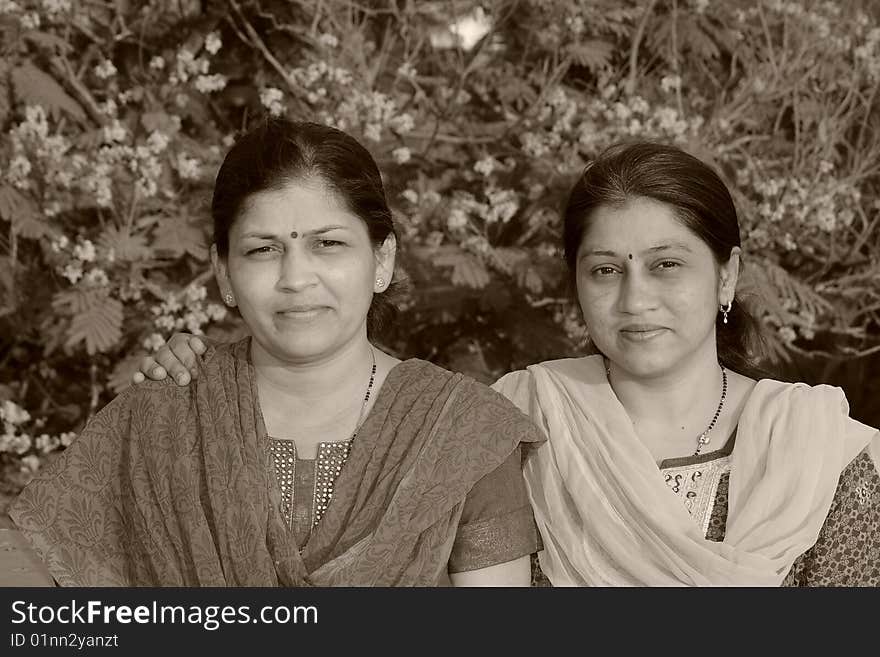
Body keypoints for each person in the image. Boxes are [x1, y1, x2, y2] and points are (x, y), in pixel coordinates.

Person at [142, 141, 880, 586]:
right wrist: (218, 382)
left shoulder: (815, 449)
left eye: (667, 265)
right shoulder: (518, 421)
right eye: (604, 270)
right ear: (575, 284)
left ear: (725, 275)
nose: (636, 298)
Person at [9, 118, 542, 586]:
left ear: (382, 260)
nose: (295, 278)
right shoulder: (160, 415)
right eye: (263, 250)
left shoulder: (462, 434)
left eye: (327, 243)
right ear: (223, 273)